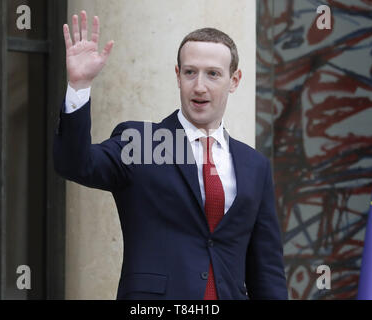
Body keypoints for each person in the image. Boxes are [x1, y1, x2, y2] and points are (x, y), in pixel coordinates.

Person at [54, 10, 288, 300]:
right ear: (178, 76)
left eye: (213, 74)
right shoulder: (143, 144)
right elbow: (74, 164)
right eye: (190, 72)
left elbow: (267, 270)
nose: (199, 86)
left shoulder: (255, 166)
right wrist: (79, 86)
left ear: (234, 80)